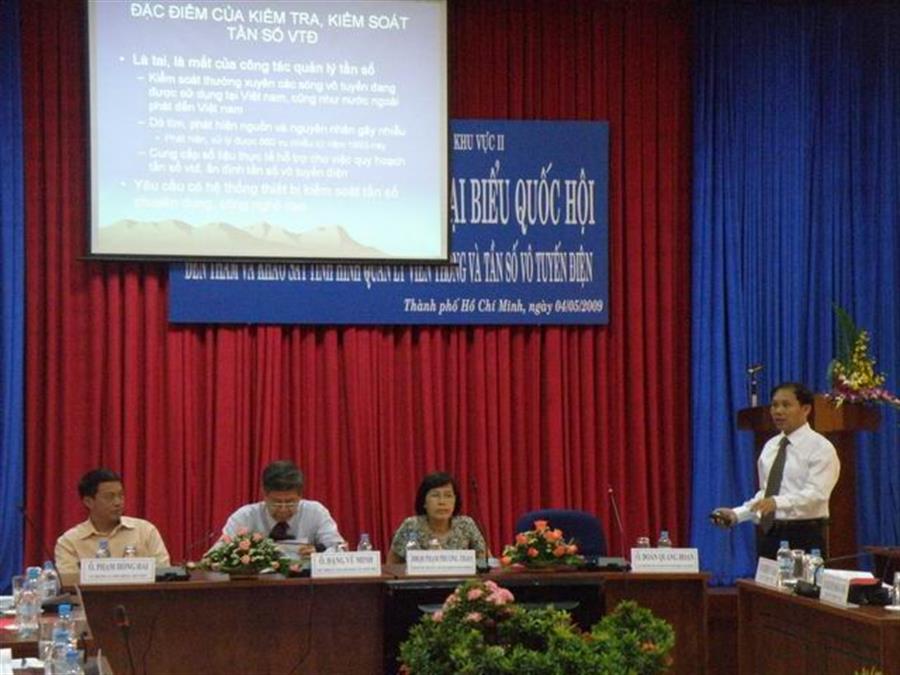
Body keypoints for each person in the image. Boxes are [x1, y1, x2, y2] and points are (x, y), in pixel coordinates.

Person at [713, 382, 840, 560]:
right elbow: (766, 494)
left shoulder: (820, 447)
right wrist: (737, 514)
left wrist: (776, 502)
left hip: (804, 535)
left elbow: (817, 494)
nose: (778, 411)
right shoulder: (771, 446)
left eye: (786, 405)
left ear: (806, 409)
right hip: (771, 534)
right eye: (774, 405)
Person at [55, 468, 171, 574]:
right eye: (109, 497)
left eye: (121, 495)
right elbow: (69, 584)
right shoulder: (69, 542)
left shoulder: (145, 531)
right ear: (88, 502)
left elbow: (164, 575)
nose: (118, 502)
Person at [218, 460, 344, 556]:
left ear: (300, 495)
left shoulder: (316, 512)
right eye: (276, 503)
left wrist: (318, 553)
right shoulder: (245, 516)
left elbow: (340, 548)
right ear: (264, 495)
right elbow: (217, 554)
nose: (283, 509)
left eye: (290, 502)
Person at [387, 471, 488, 564]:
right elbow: (392, 565)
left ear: (455, 501)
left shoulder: (466, 525)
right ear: (424, 502)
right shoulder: (411, 526)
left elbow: (486, 561)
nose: (442, 502)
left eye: (448, 496)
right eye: (435, 495)